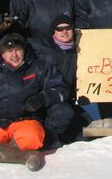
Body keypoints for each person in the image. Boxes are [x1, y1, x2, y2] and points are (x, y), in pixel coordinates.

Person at [0, 33, 68, 171]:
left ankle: (0, 152)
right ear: (3, 55)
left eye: (18, 50)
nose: (14, 55)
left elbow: (61, 90)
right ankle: (23, 157)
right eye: (9, 51)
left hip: (23, 122)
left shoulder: (38, 68)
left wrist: (42, 98)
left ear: (24, 50)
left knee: (33, 136)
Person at [27, 15, 91, 146]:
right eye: (59, 29)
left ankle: (61, 135)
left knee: (88, 129)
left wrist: (83, 93)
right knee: (62, 113)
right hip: (42, 99)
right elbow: (13, 51)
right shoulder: (41, 47)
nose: (64, 32)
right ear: (53, 32)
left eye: (68, 28)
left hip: (64, 97)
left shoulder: (78, 52)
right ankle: (47, 138)